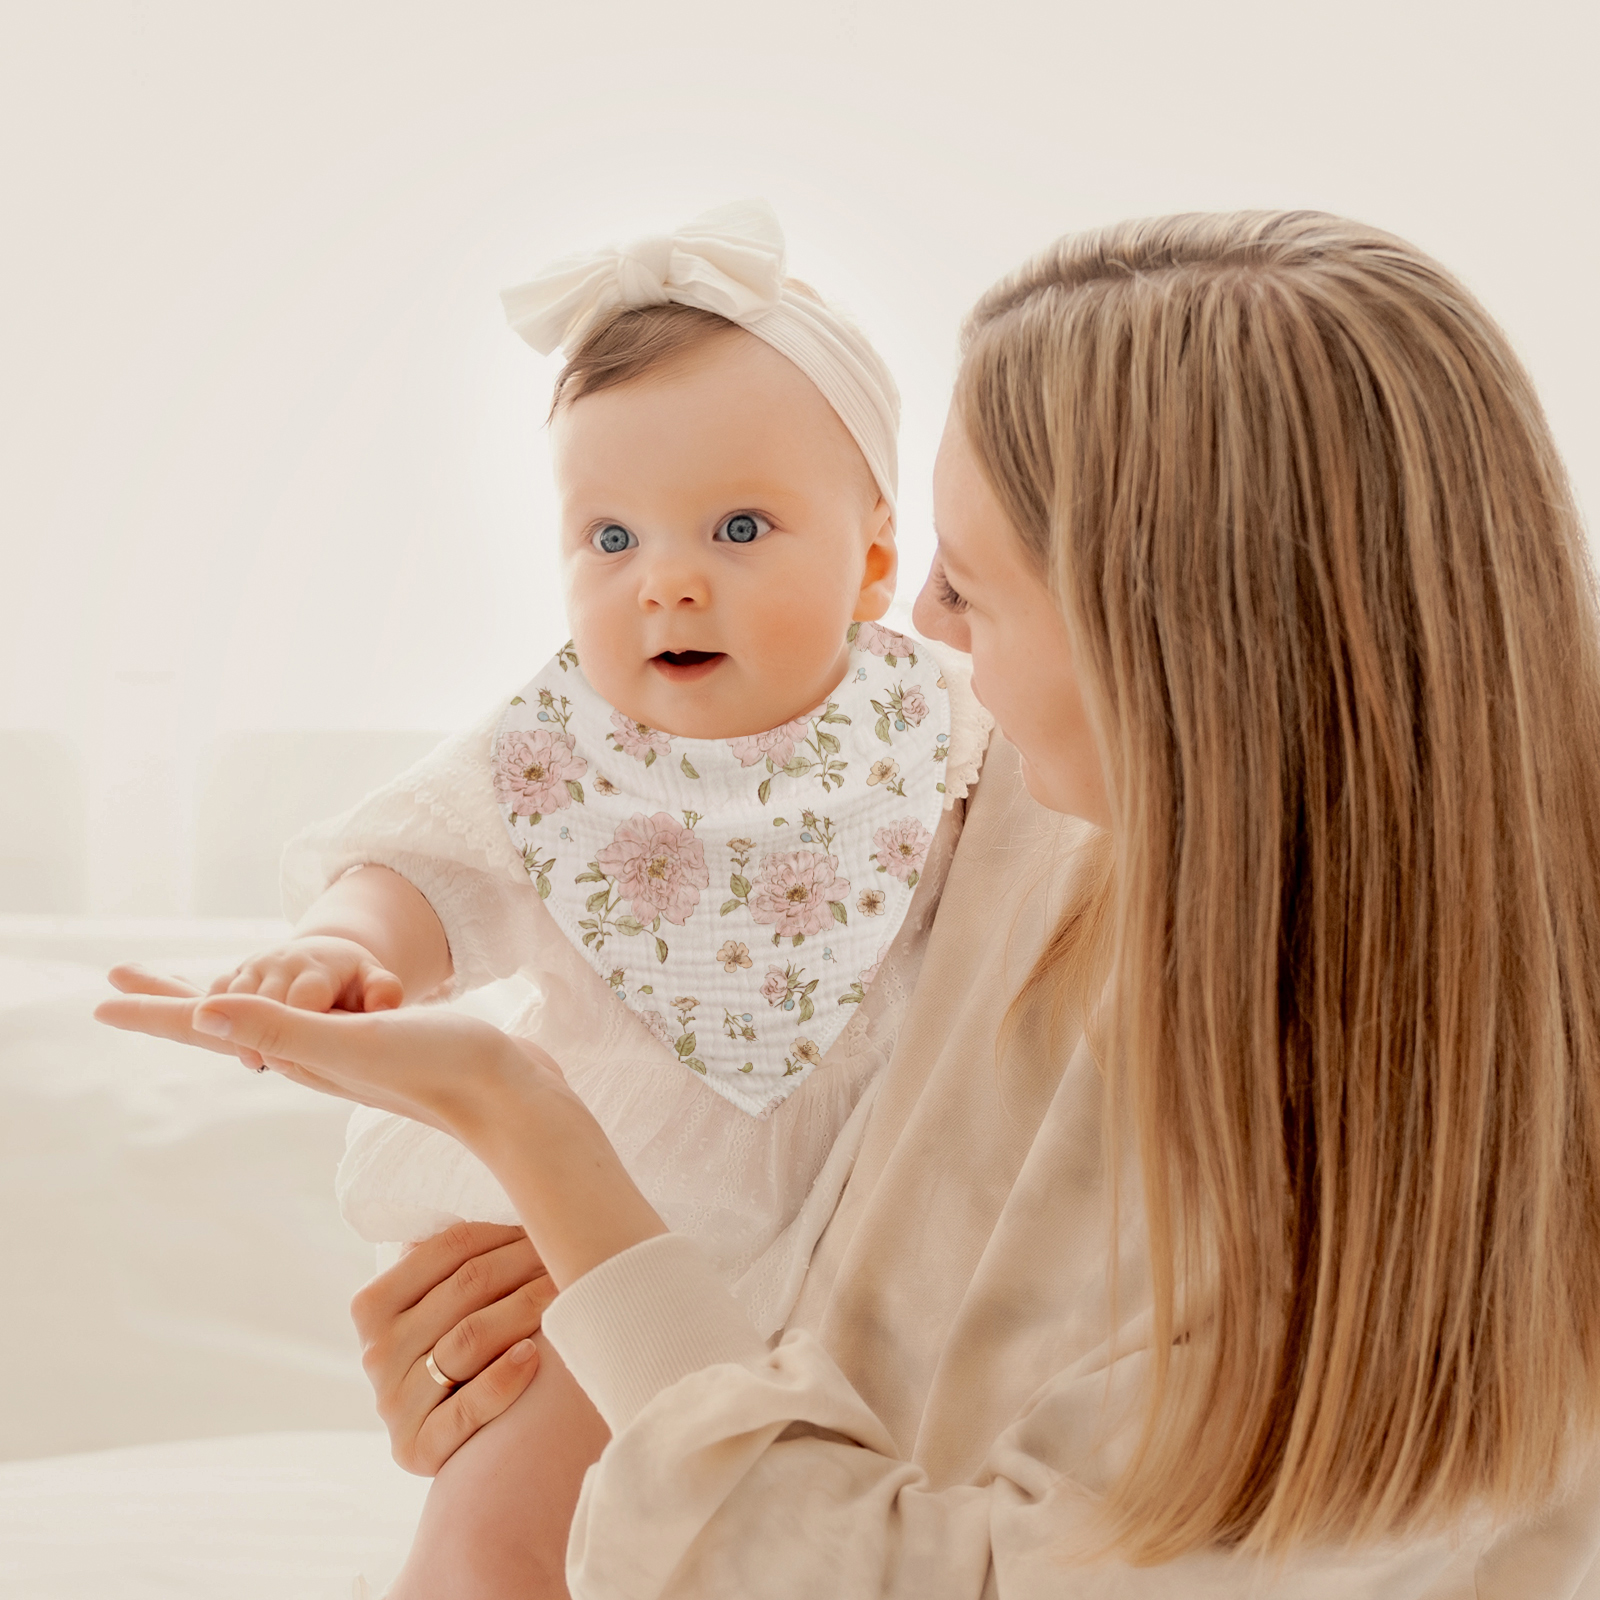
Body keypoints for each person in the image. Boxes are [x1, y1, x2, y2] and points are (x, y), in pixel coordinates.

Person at [101, 209, 1600, 1598]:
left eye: (970, 588)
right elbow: (481, 840)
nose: (916, 635)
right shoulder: (1029, 814)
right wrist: (554, 1312)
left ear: (1179, 664)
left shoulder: (1416, 1207)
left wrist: (535, 1137)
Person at [105, 199, 988, 1597]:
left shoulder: (946, 725)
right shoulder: (564, 745)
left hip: (872, 1278)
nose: (669, 582)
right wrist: (344, 944)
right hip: (599, 1243)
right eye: (612, 537)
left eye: (741, 526)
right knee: (498, 1532)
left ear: (878, 554)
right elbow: (425, 861)